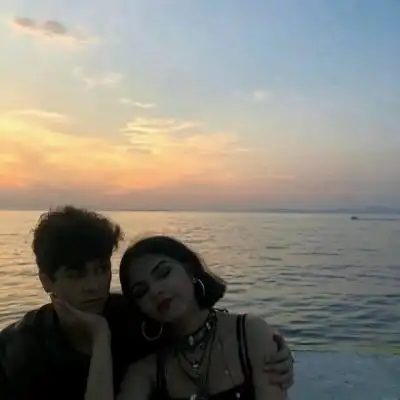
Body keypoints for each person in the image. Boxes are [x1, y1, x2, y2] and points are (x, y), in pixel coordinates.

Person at [0, 206, 294, 400]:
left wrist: (275, 353)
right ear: (46, 281)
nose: (94, 285)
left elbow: (195, 332)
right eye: (76, 274)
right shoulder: (18, 349)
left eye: (101, 269)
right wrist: (101, 339)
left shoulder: (136, 317)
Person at [54, 234, 292, 400]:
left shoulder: (249, 333)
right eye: (141, 291)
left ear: (189, 269)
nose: (155, 291)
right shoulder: (147, 371)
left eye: (163, 273)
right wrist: (100, 337)